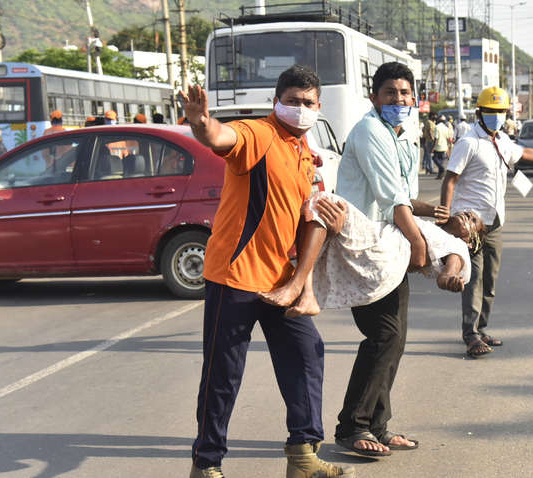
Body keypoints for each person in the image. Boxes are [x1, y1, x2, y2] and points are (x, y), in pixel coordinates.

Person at [181, 65, 354, 478]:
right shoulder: (260, 134)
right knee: (223, 375)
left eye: (308, 103)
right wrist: (201, 122)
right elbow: (222, 137)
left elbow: (306, 219)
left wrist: (302, 284)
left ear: (319, 106)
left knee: (306, 355)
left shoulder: (304, 153)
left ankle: (303, 455)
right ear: (277, 101)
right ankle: (206, 465)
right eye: (292, 101)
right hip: (234, 277)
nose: (300, 109)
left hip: (280, 281)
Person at [333, 61, 442, 457]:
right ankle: (353, 426)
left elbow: (405, 196)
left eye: (405, 93)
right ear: (374, 97)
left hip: (388, 243)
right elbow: (390, 196)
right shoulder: (369, 131)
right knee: (383, 335)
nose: (399, 99)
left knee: (394, 339)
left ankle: (377, 426)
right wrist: (418, 241)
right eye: (391, 93)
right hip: (364, 246)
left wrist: (430, 215)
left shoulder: (402, 135)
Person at [440, 86, 533, 358]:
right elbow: (450, 179)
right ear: (479, 113)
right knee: (474, 277)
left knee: (490, 279)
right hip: (471, 224)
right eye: (491, 111)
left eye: (500, 111)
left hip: (495, 222)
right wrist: (446, 213)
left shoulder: (501, 140)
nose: (496, 116)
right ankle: (471, 334)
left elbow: (524, 153)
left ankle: (482, 327)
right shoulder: (469, 142)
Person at [258, 191, 481, 316]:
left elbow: (448, 270)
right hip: (380, 261)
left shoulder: (457, 247)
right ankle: (303, 293)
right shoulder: (431, 228)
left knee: (324, 202)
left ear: (470, 241)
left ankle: (301, 289)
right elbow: (401, 201)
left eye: (473, 221)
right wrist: (431, 210)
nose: (466, 216)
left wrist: (449, 278)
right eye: (467, 212)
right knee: (318, 231)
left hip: (384, 253)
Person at [433, 114, 452, 178]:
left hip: (438, 147)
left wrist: (433, 148)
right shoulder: (446, 128)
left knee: (435, 159)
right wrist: (449, 147)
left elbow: (436, 138)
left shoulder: (437, 127)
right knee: (441, 161)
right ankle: (440, 175)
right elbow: (448, 139)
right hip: (444, 147)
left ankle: (442, 169)